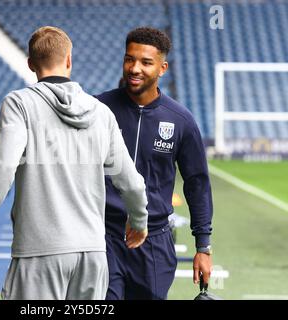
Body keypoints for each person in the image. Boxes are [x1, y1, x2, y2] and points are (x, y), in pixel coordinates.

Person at [0, 26, 149, 300]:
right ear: (69, 60)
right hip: (92, 255)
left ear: (30, 64)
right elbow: (131, 181)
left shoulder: (20, 104)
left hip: (39, 252)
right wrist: (139, 220)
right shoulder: (101, 113)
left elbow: (3, 169)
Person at [96, 27, 213, 300]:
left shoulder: (181, 120)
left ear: (162, 68)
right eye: (129, 59)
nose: (135, 68)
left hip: (154, 241)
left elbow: (197, 185)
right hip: (103, 236)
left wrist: (203, 247)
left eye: (146, 62)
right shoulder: (98, 110)